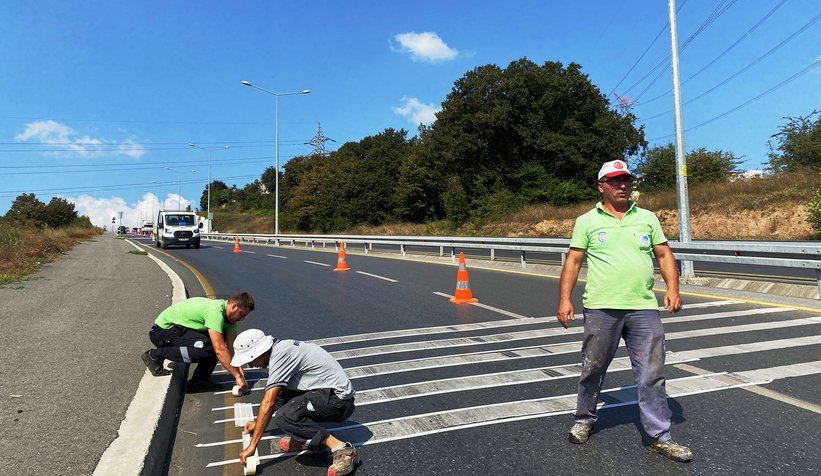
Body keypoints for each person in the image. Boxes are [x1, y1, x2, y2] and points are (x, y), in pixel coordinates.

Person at [556, 159, 693, 462]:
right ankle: (584, 419)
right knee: (592, 368)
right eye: (615, 181)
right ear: (601, 186)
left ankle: (660, 436)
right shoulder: (587, 221)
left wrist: (673, 289)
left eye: (626, 180)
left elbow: (663, 254)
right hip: (602, 307)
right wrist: (565, 299)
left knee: (652, 374)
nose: (622, 185)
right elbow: (574, 262)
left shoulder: (647, 218)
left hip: (643, 308)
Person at [233, 329, 359, 476]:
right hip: (324, 394)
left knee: (284, 416)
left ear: (258, 352)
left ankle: (342, 449)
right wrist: (257, 423)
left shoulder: (281, 355)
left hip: (338, 402)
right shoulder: (280, 348)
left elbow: (269, 402)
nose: (251, 366)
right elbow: (277, 397)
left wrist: (252, 445)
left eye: (250, 360)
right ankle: (309, 437)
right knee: (280, 392)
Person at [140, 292, 255, 393]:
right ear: (234, 306)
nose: (242, 319)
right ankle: (155, 355)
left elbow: (232, 348)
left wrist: (241, 374)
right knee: (207, 348)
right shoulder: (215, 312)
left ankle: (199, 381)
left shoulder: (230, 320)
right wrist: (237, 376)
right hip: (163, 331)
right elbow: (220, 350)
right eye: (242, 314)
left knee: (216, 342)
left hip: (180, 329)